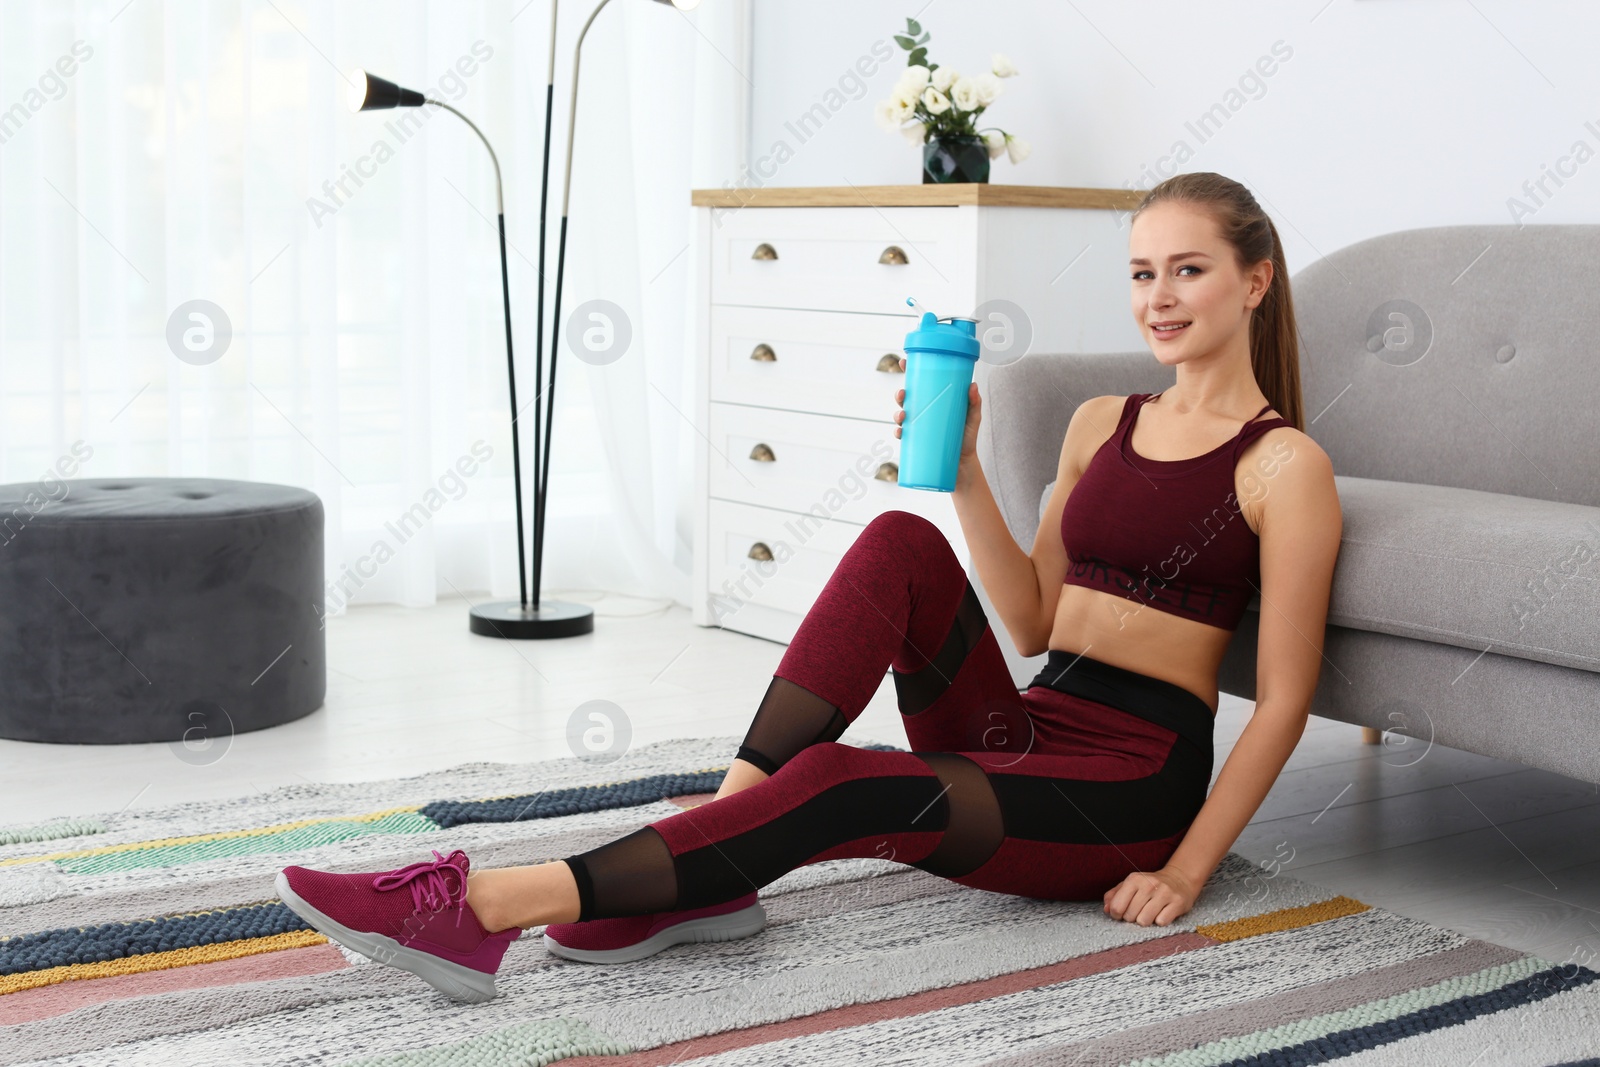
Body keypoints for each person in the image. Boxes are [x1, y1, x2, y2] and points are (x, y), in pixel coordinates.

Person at [274, 171, 1343, 1004]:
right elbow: (1028, 619)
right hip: (1031, 718)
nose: (1158, 297)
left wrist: (1190, 868)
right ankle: (718, 852)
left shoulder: (1282, 465)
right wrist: (966, 467)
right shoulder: (1097, 422)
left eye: (1187, 270)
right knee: (894, 538)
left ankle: (480, 907)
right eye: (1140, 272)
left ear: (1252, 279)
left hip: (1128, 783)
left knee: (847, 778)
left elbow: (1283, 699)